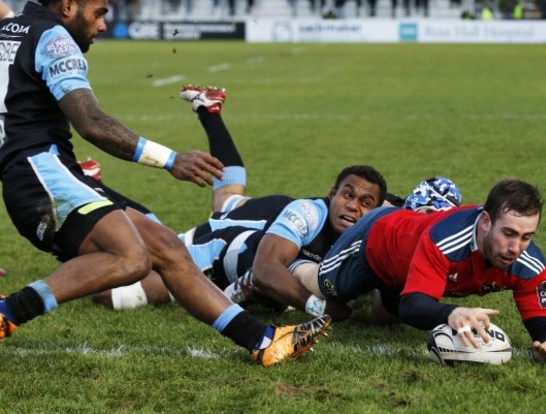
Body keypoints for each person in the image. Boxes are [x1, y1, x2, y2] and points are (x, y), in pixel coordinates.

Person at [0, 0, 331, 367]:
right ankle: (9, 312)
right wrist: (171, 159)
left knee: (168, 247)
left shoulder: (10, 31)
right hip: (43, 175)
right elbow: (92, 122)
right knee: (132, 258)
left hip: (36, 176)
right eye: (98, 12)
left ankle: (263, 340)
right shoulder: (54, 38)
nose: (102, 24)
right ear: (68, 6)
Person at [91, 85, 461, 321]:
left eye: (365, 203)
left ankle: (209, 110)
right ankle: (92, 188)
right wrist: (321, 308)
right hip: (229, 246)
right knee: (119, 287)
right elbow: (272, 272)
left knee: (228, 200)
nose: (355, 207)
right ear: (332, 194)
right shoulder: (316, 213)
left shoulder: (380, 221)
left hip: (260, 232)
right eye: (348, 196)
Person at [295, 179, 546, 364]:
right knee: (327, 289)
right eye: (508, 233)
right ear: (485, 221)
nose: (515, 247)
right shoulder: (445, 240)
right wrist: (452, 313)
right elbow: (412, 307)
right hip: (375, 241)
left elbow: (542, 318)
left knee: (382, 317)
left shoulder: (529, 261)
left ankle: (374, 294)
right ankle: (296, 265)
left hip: (404, 268)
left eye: (527, 236)